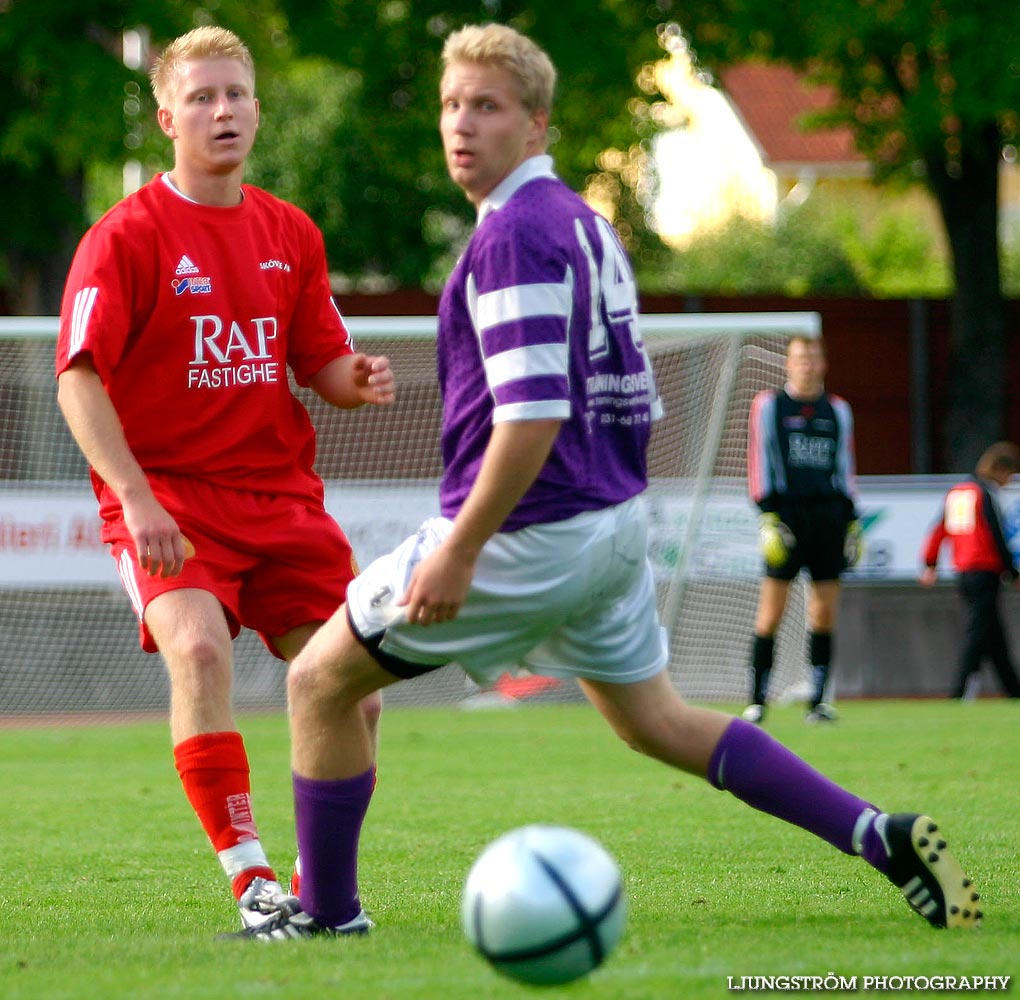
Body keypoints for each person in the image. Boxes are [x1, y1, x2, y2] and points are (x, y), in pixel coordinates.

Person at [229, 23, 980, 941]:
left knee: (318, 682)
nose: (462, 126)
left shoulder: (512, 238)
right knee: (657, 722)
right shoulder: (585, 224)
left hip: (528, 532)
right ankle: (877, 833)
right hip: (609, 523)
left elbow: (533, 414)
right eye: (451, 106)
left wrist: (462, 550)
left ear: (537, 125)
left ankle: (325, 915)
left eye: (488, 107)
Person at [55, 26, 394, 929]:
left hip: (282, 502)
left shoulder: (290, 231)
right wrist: (134, 496)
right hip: (166, 499)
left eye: (236, 94)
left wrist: (351, 384)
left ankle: (323, 890)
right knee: (200, 653)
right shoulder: (124, 237)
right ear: (167, 117)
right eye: (202, 97)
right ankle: (253, 885)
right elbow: (77, 376)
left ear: (256, 108)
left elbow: (321, 361)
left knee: (354, 684)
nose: (223, 110)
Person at [743, 335, 861, 725]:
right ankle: (757, 700)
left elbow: (845, 465)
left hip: (828, 518)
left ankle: (818, 701)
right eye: (800, 359)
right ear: (787, 364)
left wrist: (851, 520)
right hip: (788, 516)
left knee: (824, 613)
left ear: (823, 364)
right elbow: (761, 459)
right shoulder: (769, 405)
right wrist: (768, 515)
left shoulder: (838, 410)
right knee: (771, 612)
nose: (807, 365)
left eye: (813, 358)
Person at [920, 441, 1020, 699]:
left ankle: (1014, 690)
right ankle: (960, 690)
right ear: (999, 469)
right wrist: (1012, 571)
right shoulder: (984, 494)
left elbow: (939, 528)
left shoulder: (958, 492)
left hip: (964, 572)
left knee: (994, 635)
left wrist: (930, 563)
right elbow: (996, 535)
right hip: (985, 570)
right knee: (978, 632)